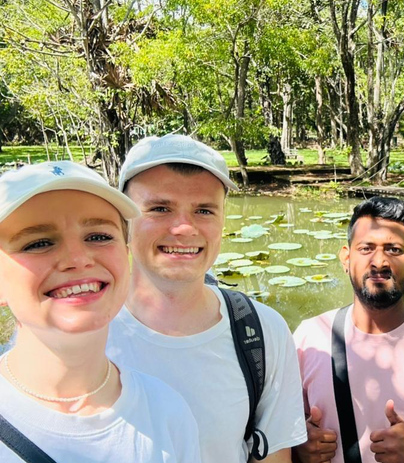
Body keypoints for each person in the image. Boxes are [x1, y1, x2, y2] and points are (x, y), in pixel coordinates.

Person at [106, 134, 306, 463]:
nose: (184, 228)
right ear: (123, 219)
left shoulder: (262, 332)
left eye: (203, 210)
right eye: (160, 208)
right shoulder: (81, 333)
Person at [0, 161, 201, 462]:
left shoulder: (166, 411)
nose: (78, 259)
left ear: (126, 253)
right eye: (38, 243)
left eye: (99, 237)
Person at [293, 197, 404, 463]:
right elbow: (276, 430)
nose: (379, 262)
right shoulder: (309, 339)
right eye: (366, 248)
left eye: (394, 249)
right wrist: (297, 447)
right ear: (346, 258)